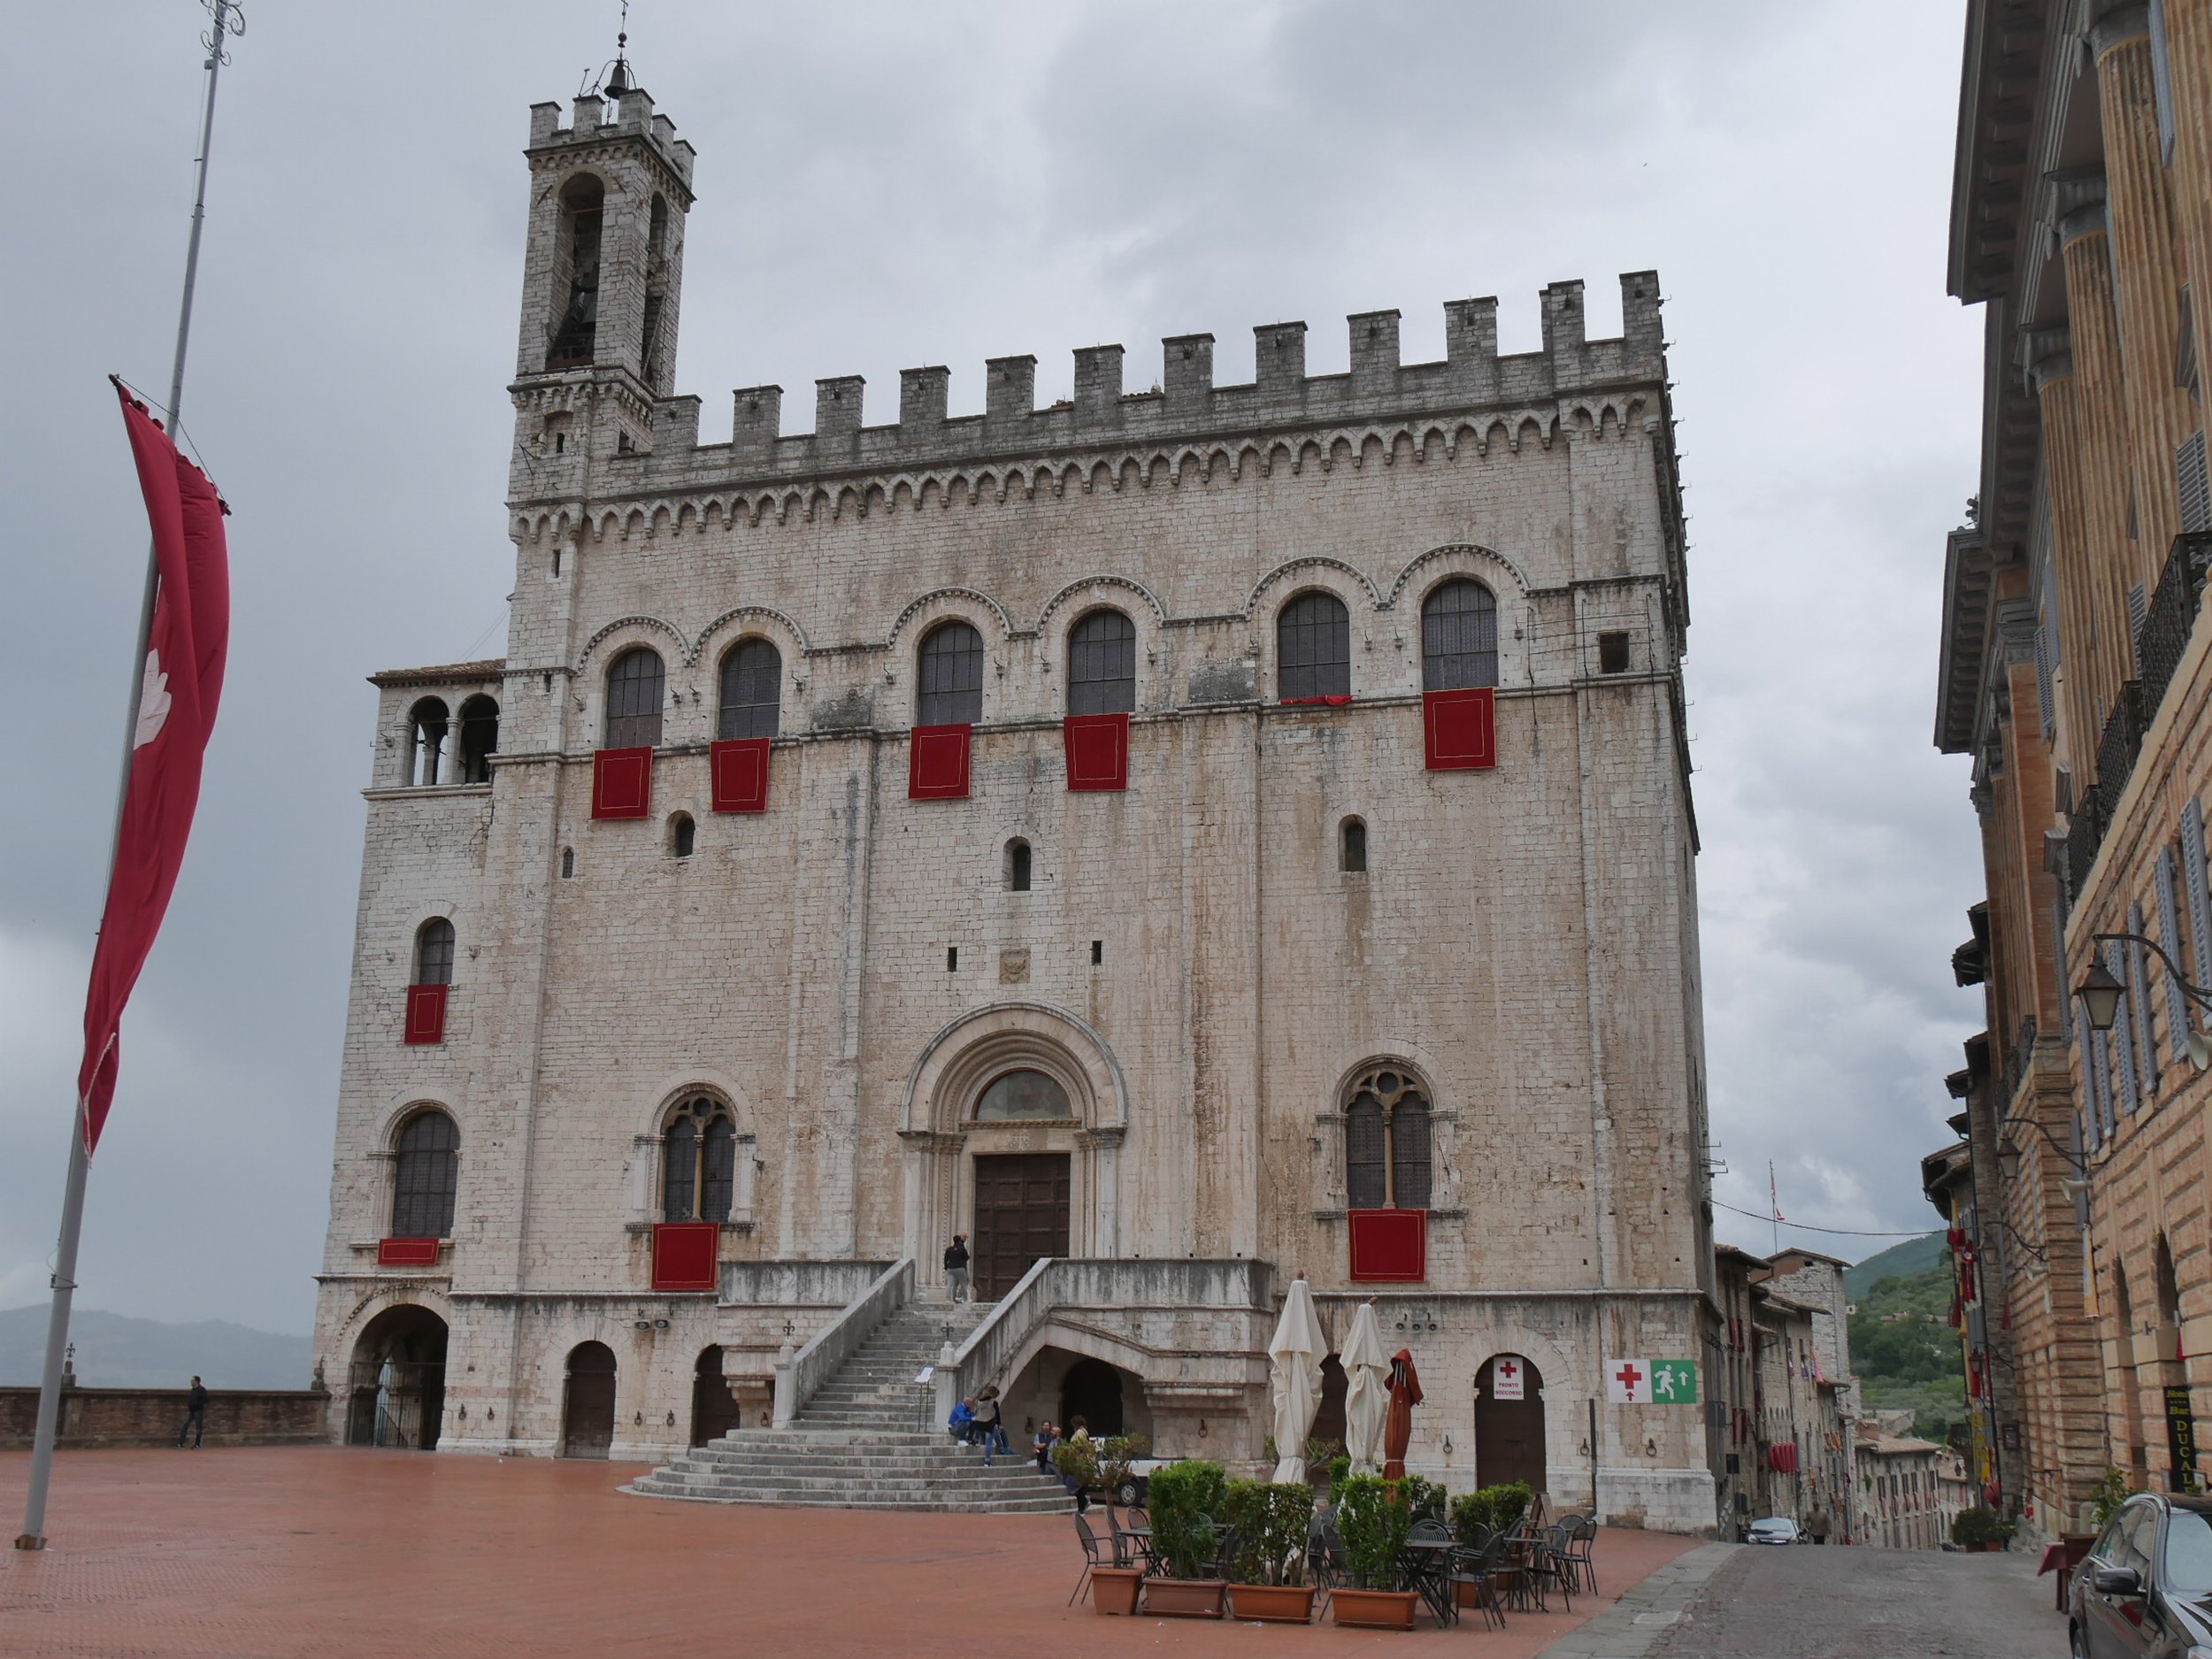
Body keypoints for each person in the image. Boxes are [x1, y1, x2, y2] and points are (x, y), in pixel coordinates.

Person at [973, 1384, 1008, 1465]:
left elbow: (977, 1412)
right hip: (989, 1423)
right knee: (988, 1442)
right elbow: (997, 1414)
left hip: (978, 1423)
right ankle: (987, 1461)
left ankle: (976, 1440)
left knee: (995, 1433)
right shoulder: (994, 1402)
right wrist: (999, 1424)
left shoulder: (979, 1401)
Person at [177, 1376, 208, 1449]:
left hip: (198, 1411)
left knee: (198, 1428)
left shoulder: (202, 1389)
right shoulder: (193, 1390)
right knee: (185, 1425)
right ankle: (181, 1443)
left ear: (196, 1381)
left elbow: (206, 1399)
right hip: (191, 1411)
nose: (191, 1382)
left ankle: (197, 1444)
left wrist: (197, 1404)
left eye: (192, 1380)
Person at [943, 1233, 971, 1302]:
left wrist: (946, 1267)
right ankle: (965, 1298)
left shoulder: (949, 1249)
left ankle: (948, 1299)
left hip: (950, 1268)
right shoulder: (961, 1248)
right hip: (960, 1268)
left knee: (950, 1284)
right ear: (959, 1240)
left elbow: (945, 1259)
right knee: (964, 1283)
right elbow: (966, 1257)